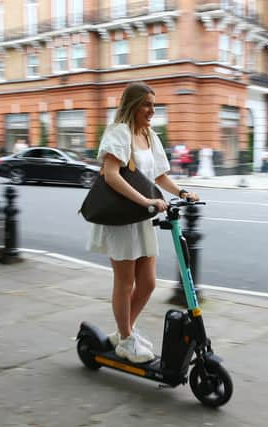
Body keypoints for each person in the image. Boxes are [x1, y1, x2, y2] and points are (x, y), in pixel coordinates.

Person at [87, 82, 199, 364]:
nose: (151, 110)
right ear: (132, 105)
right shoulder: (119, 133)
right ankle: (126, 339)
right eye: (146, 104)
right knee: (125, 283)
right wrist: (146, 201)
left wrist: (182, 192)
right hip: (123, 218)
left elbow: (159, 176)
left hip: (143, 217)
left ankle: (123, 333)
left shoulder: (149, 135)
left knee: (147, 283)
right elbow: (112, 175)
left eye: (153, 105)